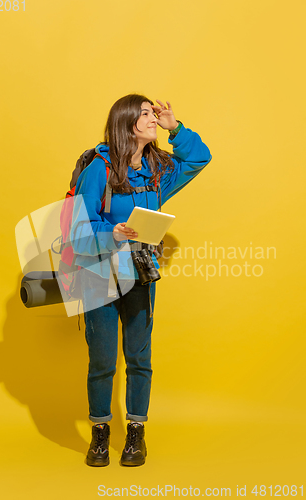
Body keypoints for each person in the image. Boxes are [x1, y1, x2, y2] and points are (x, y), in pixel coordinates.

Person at [70, 94, 212, 467]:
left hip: (139, 275)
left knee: (139, 357)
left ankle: (136, 433)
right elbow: (76, 231)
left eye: (154, 113)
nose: (154, 118)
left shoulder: (157, 170)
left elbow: (199, 158)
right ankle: (100, 435)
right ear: (127, 121)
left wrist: (175, 128)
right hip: (97, 276)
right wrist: (112, 233)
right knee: (102, 361)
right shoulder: (98, 170)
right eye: (147, 113)